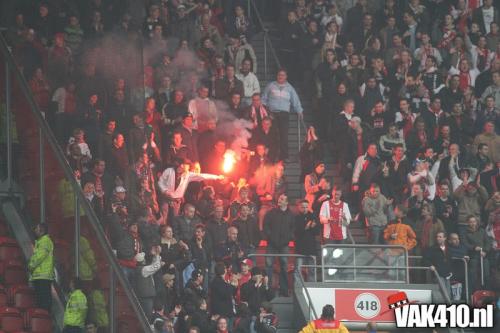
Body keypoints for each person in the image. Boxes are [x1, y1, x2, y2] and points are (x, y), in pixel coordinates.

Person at [262, 69, 303, 160]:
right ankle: (272, 155)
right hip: (272, 114)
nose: (281, 76)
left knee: (284, 135)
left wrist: (299, 110)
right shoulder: (271, 86)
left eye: (283, 75)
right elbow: (263, 99)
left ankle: (284, 156)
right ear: (277, 76)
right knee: (273, 135)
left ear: (286, 77)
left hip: (284, 114)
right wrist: (265, 111)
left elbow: (295, 100)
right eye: (279, 75)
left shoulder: (290, 88)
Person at [263, 194, 295, 296]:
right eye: (279, 198)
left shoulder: (291, 215)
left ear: (286, 202)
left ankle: (284, 290)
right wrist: (270, 237)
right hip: (271, 244)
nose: (279, 200)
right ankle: (268, 290)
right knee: (268, 266)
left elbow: (293, 229)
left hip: (284, 245)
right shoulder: (271, 213)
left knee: (284, 266)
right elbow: (265, 226)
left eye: (282, 199)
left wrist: (288, 238)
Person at [28, 223, 54, 312]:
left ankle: (44, 318)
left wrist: (31, 266)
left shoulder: (45, 241)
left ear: (42, 231)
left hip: (43, 275)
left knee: (43, 301)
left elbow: (39, 257)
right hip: (41, 276)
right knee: (41, 301)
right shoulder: (41, 242)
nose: (34, 230)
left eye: (36, 229)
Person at [423, 232, 453, 298]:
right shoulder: (432, 249)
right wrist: (430, 265)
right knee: (443, 292)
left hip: (447, 274)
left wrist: (464, 256)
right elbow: (425, 259)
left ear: (445, 238)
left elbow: (453, 257)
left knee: (448, 292)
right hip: (438, 273)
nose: (438, 238)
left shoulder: (448, 249)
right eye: (437, 237)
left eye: (440, 237)